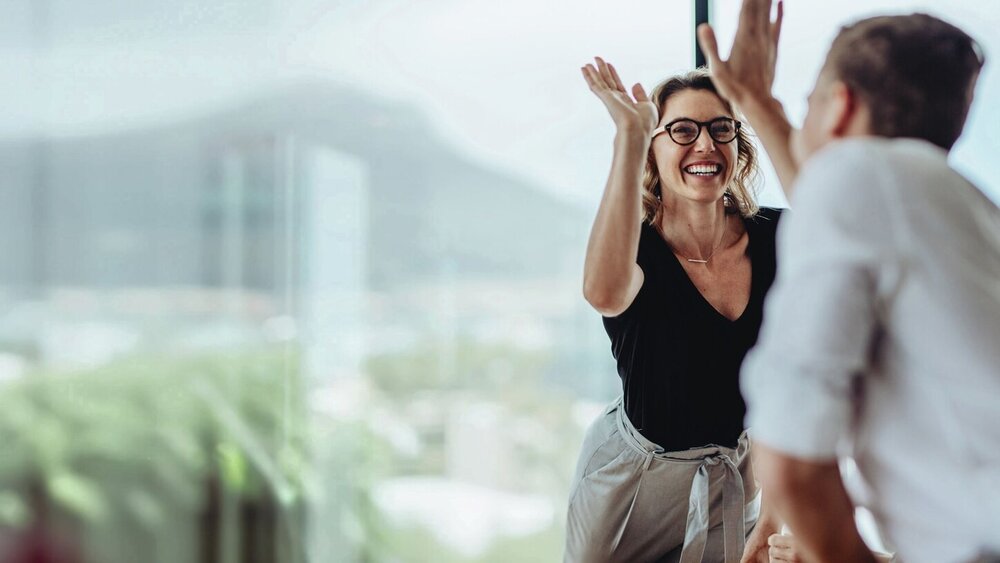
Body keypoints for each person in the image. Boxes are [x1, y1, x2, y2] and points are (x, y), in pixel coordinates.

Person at [698, 2, 999, 562]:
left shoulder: (859, 177)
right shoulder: (962, 207)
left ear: (840, 107)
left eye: (807, 104)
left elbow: (789, 460)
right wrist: (757, 103)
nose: (800, 119)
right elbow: (830, 196)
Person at [565, 57, 786, 563]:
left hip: (734, 476)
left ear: (737, 146)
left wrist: (773, 519)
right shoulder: (634, 250)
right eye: (682, 130)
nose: (704, 145)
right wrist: (629, 135)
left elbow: (794, 390)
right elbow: (602, 293)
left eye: (720, 129)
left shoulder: (779, 239)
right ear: (653, 150)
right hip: (631, 485)